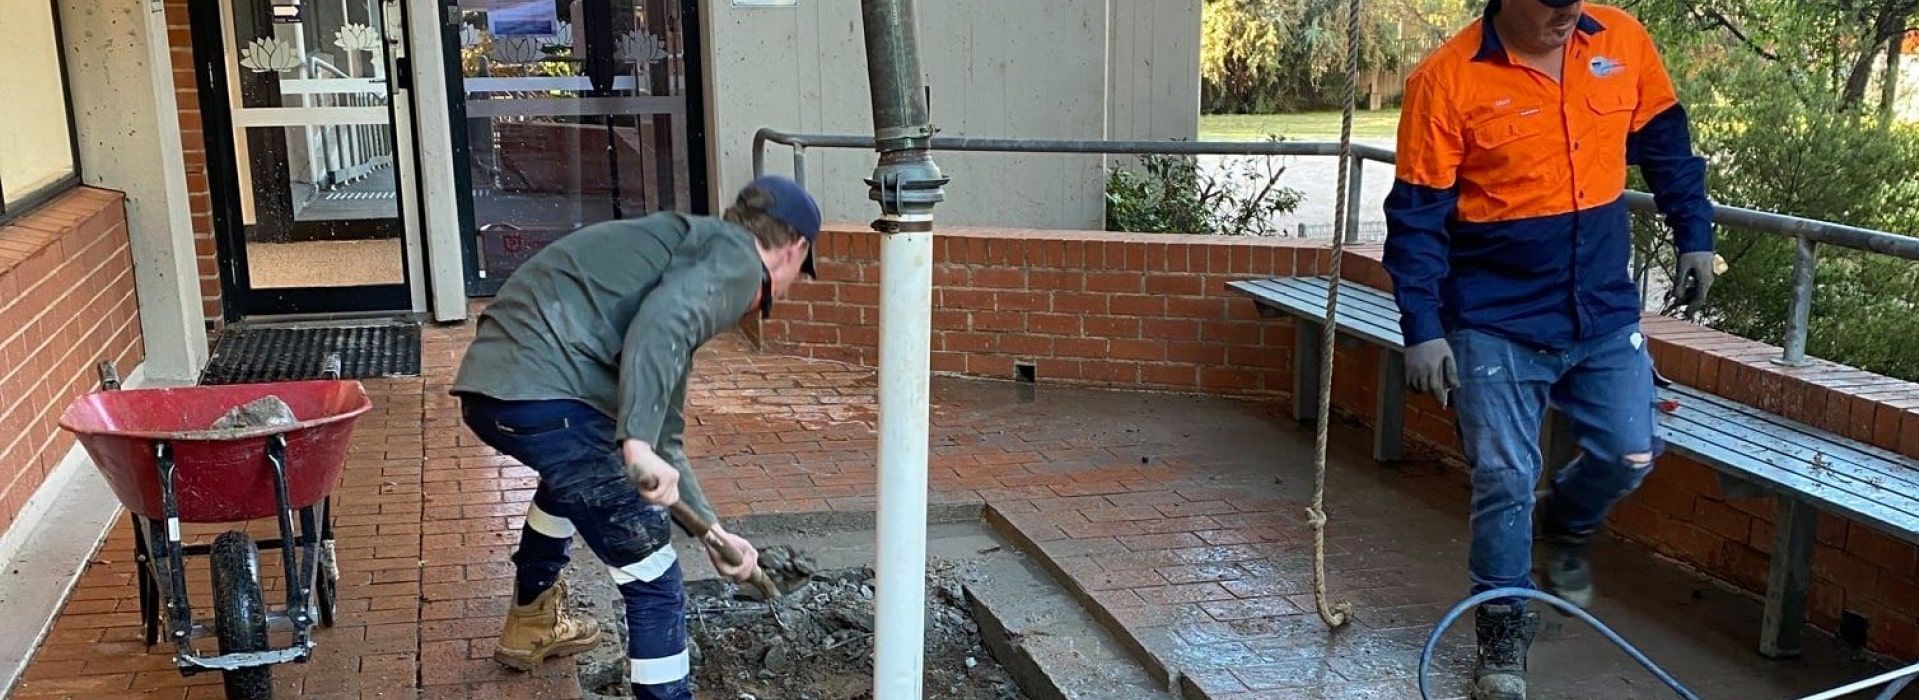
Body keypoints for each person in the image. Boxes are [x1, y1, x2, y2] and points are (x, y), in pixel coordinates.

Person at [1382, 1, 1715, 698]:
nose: (1569, 13)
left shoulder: (1620, 40)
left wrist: (1695, 234)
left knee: (1630, 450)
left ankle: (1565, 520)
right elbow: (1415, 220)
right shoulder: (1443, 81)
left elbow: (1665, 146)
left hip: (1598, 309)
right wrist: (1422, 328)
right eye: (1553, 4)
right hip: (1491, 317)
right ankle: (1502, 639)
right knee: (1503, 478)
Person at [451, 175, 820, 699]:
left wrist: (713, 534)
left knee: (571, 481)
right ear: (794, 249)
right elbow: (664, 325)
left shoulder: (686, 254)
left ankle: (532, 619)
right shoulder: (739, 258)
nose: (778, 293)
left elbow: (664, 432)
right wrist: (636, 443)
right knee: (654, 580)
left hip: (495, 390)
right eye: (795, 280)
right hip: (551, 389)